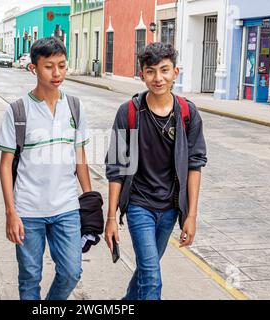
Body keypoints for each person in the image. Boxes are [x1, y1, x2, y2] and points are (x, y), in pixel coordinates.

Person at [104, 42, 207, 300]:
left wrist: (191, 215)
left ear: (176, 72)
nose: (158, 78)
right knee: (151, 275)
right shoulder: (128, 112)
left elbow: (195, 165)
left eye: (164, 70)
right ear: (142, 74)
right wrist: (111, 218)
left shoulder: (187, 113)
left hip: (171, 207)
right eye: (151, 71)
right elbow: (117, 167)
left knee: (144, 272)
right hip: (139, 204)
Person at [0, 37, 92, 300]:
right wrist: (10, 212)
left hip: (66, 207)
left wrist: (89, 199)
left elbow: (80, 156)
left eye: (61, 65)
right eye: (49, 66)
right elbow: (6, 166)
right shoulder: (17, 111)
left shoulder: (74, 107)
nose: (57, 73)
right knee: (29, 277)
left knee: (72, 271)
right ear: (34, 68)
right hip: (28, 210)